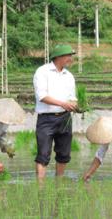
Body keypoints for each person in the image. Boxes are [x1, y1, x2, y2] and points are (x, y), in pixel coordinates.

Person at [33, 44, 78, 179]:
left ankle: (59, 182)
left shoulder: (69, 76)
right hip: (46, 119)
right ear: (58, 57)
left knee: (64, 154)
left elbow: (72, 97)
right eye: (68, 56)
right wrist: (63, 104)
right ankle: (40, 187)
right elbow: (42, 96)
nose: (70, 59)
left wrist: (74, 105)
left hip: (65, 118)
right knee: (43, 154)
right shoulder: (42, 72)